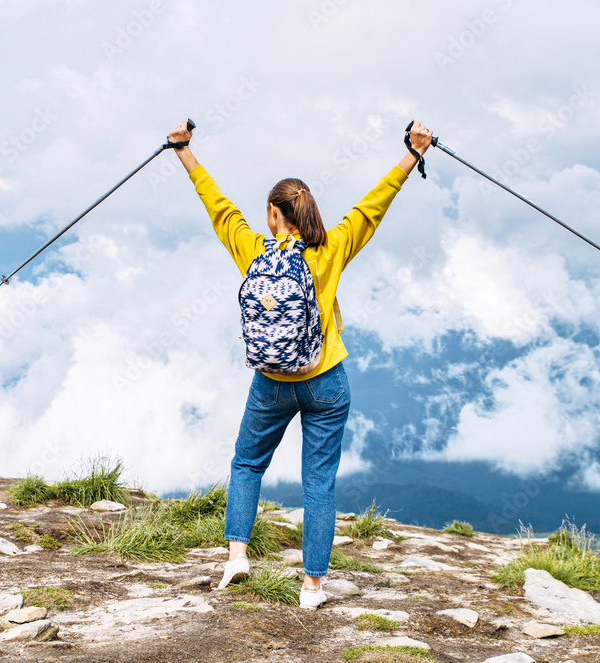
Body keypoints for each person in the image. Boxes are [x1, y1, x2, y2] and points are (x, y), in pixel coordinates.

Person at [169, 119, 434, 609]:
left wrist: (182, 149)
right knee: (318, 483)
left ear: (273, 214)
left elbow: (216, 204)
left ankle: (236, 559)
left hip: (270, 382)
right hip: (325, 382)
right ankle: (312, 587)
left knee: (247, 463)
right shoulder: (331, 249)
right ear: (307, 211)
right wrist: (413, 153)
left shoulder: (251, 249)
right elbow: (373, 204)